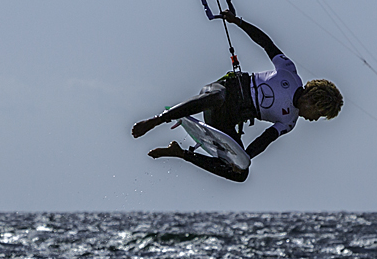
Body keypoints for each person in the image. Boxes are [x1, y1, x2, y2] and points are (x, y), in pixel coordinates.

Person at [131, 12, 343, 182]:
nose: (314, 119)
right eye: (319, 114)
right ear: (314, 100)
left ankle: (181, 154)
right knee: (218, 97)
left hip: (226, 121)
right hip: (221, 91)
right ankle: (156, 120)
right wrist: (238, 22)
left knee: (241, 174)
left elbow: (264, 140)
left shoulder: (289, 122)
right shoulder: (289, 72)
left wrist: (244, 159)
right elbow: (266, 43)